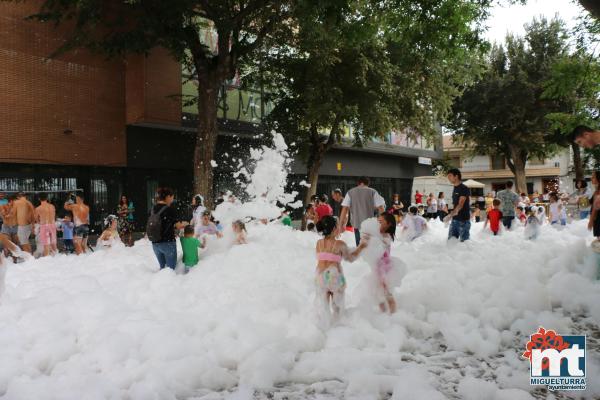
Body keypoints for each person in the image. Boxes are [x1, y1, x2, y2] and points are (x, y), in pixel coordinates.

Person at [315, 215, 367, 322]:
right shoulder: (339, 244)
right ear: (334, 228)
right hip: (334, 277)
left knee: (324, 309)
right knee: (337, 309)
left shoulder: (318, 243)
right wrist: (361, 246)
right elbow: (351, 257)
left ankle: (325, 329)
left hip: (320, 277)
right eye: (337, 226)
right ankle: (337, 328)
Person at [339, 176, 386, 245]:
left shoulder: (350, 192)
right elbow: (381, 208)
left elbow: (344, 209)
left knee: (359, 247)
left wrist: (341, 224)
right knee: (370, 247)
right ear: (367, 183)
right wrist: (383, 223)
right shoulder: (373, 191)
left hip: (356, 224)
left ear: (359, 183)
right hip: (369, 224)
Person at [149, 187, 186, 270]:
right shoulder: (170, 209)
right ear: (168, 196)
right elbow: (178, 226)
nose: (172, 200)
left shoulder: (152, 209)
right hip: (168, 243)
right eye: (172, 197)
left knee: (163, 270)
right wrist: (187, 223)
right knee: (170, 271)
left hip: (155, 244)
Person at [445, 168, 471, 242]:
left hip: (463, 220)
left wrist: (450, 215)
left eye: (450, 176)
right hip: (455, 219)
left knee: (464, 244)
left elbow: (460, 205)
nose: (448, 178)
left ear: (456, 176)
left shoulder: (464, 188)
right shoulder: (455, 188)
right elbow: (455, 204)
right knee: (450, 242)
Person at [588, 170, 600, 245]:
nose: (591, 178)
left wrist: (591, 221)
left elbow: (596, 207)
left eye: (593, 177)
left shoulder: (598, 191)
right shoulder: (596, 190)